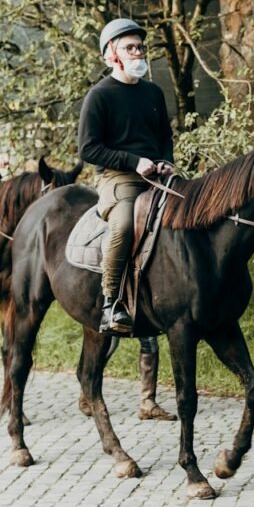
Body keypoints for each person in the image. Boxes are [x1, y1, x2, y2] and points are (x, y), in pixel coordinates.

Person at [77, 18, 175, 334]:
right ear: (112, 55)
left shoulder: (153, 93)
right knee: (123, 224)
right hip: (117, 180)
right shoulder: (99, 95)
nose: (138, 53)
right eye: (130, 48)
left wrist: (166, 162)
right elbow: (88, 149)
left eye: (140, 48)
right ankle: (111, 303)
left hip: (157, 176)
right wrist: (134, 162)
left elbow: (164, 138)